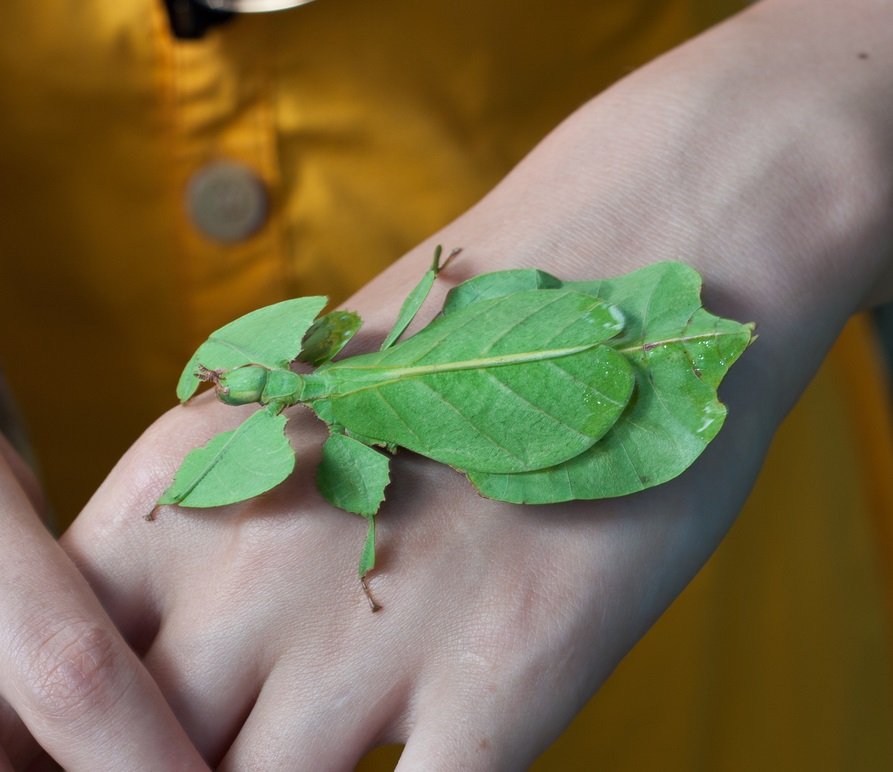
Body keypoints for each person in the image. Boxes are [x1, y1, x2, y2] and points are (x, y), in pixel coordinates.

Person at [1, 0, 892, 768]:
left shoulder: (320, 423)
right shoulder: (327, 385)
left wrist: (804, 128)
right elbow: (355, 398)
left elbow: (364, 486)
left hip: (714, 614)